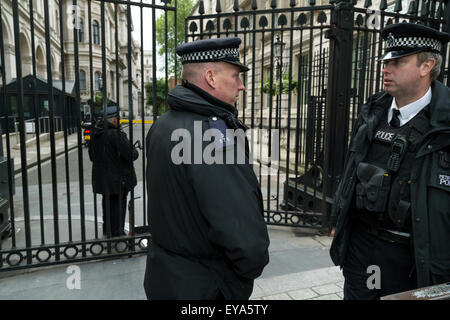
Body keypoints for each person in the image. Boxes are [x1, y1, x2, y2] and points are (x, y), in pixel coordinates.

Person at [329, 22, 450, 300]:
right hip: (363, 250)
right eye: (386, 61)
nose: (386, 69)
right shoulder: (373, 111)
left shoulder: (443, 125)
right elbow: (351, 169)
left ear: (426, 66)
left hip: (415, 259)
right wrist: (338, 217)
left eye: (398, 62)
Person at [143, 37, 270, 300]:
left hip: (165, 276)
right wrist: (247, 270)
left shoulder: (163, 124)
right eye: (235, 76)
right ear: (211, 77)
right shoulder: (213, 136)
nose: (242, 85)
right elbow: (239, 229)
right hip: (206, 286)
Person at [88, 105, 138, 238]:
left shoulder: (96, 133)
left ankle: (108, 230)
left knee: (107, 203)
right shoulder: (115, 135)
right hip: (118, 179)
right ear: (114, 120)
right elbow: (133, 154)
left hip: (103, 178)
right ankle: (117, 233)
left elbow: (92, 156)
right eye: (118, 118)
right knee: (118, 204)